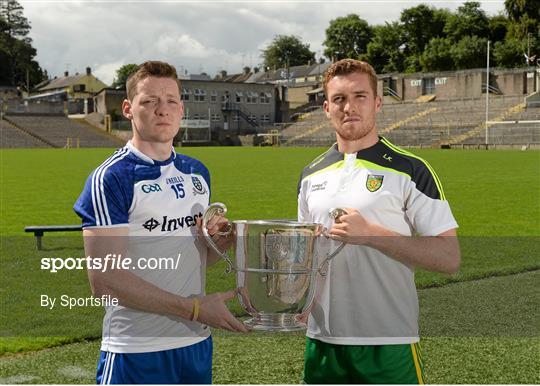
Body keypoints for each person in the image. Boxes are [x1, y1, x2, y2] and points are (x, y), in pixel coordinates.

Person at [73, 61, 247, 385]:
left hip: (194, 345)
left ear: (181, 109)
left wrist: (220, 241)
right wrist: (195, 309)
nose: (161, 110)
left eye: (170, 101)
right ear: (128, 108)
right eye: (149, 101)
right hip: (136, 352)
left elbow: (196, 258)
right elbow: (105, 282)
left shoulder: (198, 173)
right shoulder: (111, 178)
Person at [297, 59, 461, 384]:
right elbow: (307, 256)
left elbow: (449, 257)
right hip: (322, 343)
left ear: (378, 102)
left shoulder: (411, 170)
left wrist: (371, 234)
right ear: (327, 107)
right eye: (340, 99)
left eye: (360, 96)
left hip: (389, 343)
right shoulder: (310, 175)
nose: (349, 107)